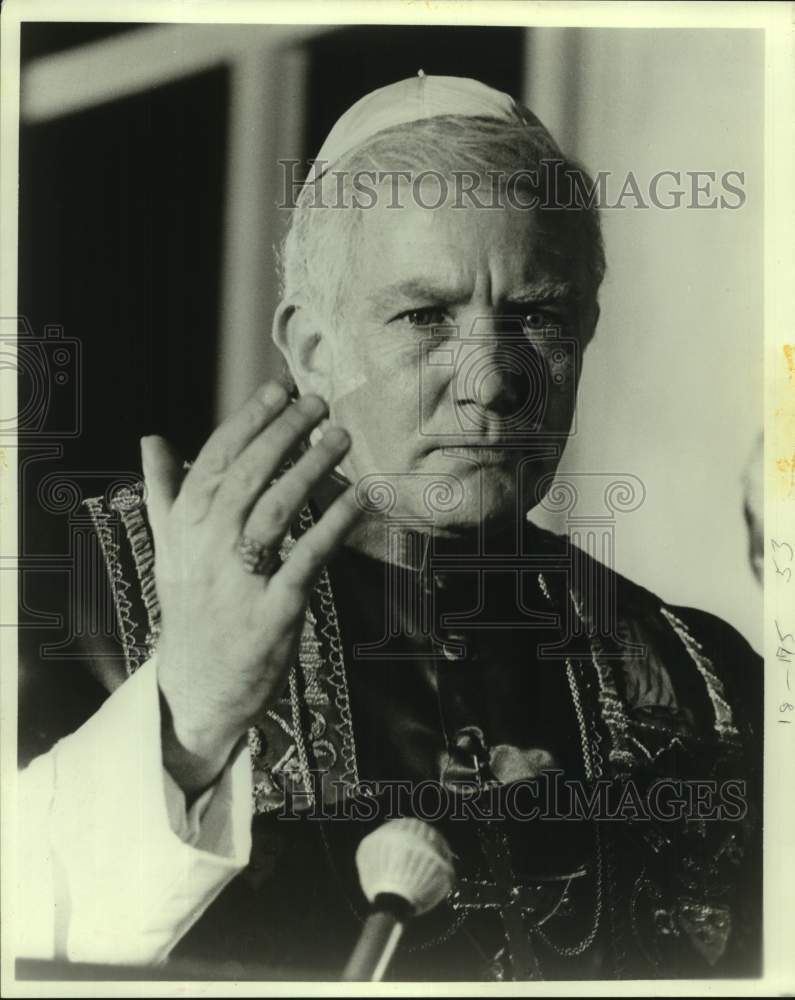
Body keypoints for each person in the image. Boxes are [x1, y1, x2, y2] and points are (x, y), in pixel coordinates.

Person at [17, 75, 762, 981]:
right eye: (424, 316)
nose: (491, 383)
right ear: (311, 349)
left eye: (538, 317)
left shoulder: (705, 682)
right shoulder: (74, 597)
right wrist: (190, 720)